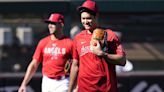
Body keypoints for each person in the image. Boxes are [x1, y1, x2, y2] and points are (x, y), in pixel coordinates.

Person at [68, 0, 126, 92]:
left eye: (88, 18)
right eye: (83, 19)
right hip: (84, 89)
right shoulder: (78, 38)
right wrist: (70, 89)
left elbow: (122, 61)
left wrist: (103, 54)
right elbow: (75, 65)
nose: (85, 22)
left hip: (106, 89)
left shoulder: (110, 35)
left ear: (96, 16)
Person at [18, 13, 73, 92]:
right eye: (49, 23)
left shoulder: (70, 43)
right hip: (47, 81)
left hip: (63, 81)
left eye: (53, 23)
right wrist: (24, 84)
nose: (50, 25)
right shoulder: (43, 42)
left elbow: (77, 65)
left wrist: (76, 84)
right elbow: (34, 64)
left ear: (61, 24)